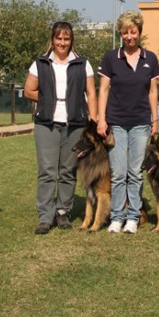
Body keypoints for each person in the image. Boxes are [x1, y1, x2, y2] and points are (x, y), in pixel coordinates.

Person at [24, 21, 97, 234]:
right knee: (47, 171)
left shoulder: (83, 64)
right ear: (52, 39)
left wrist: (93, 117)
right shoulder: (40, 63)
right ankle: (45, 216)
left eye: (66, 38)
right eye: (58, 38)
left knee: (68, 170)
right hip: (46, 123)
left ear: (71, 40)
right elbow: (29, 90)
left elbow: (91, 92)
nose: (62, 43)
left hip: (75, 123)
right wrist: (48, 100)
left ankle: (63, 211)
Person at [97, 11, 159, 234]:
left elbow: (153, 92)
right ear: (121, 34)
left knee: (135, 172)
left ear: (139, 32)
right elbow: (103, 89)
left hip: (141, 123)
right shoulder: (111, 58)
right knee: (118, 173)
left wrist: (155, 120)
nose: (129, 36)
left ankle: (133, 217)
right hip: (116, 122)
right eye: (125, 32)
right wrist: (101, 118)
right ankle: (117, 217)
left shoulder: (150, 59)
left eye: (133, 32)